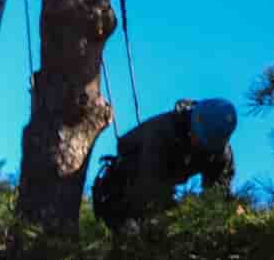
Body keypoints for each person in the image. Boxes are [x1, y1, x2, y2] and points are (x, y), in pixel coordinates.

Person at [90, 99, 237, 231]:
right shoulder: (161, 135)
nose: (195, 140)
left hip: (158, 187)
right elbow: (151, 188)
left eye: (201, 141)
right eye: (194, 135)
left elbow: (219, 194)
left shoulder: (219, 151)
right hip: (124, 191)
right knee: (145, 232)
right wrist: (178, 218)